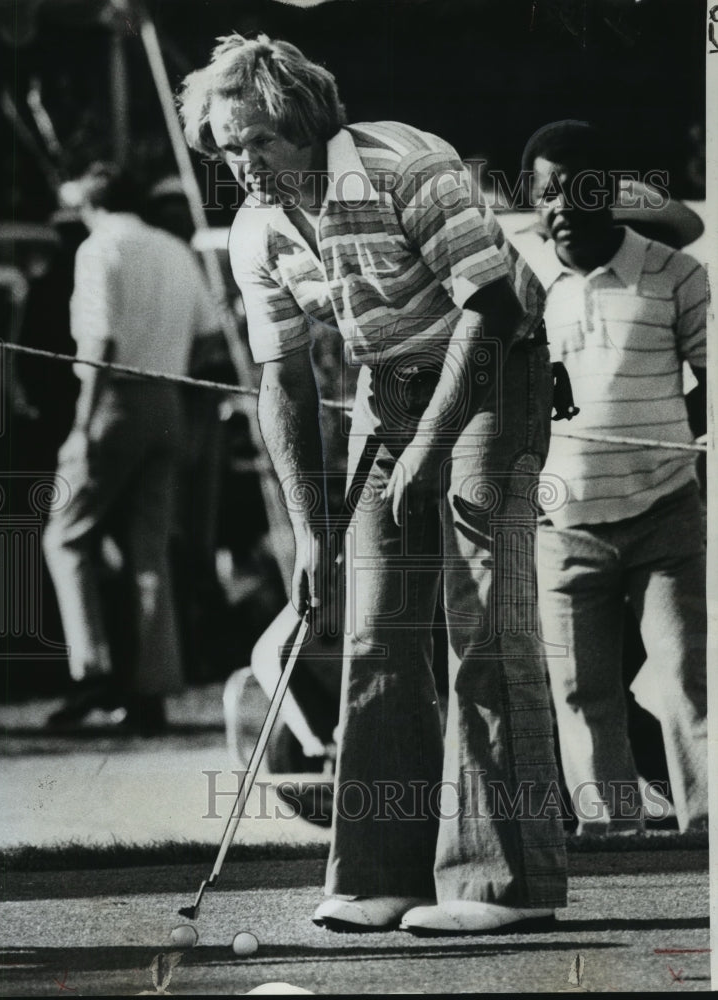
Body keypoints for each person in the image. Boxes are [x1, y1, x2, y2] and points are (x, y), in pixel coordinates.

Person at [179, 35, 567, 934]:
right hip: (384, 389)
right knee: (375, 632)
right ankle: (380, 875)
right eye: (227, 148)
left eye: (258, 142)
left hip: (493, 377)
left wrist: (431, 446)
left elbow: (493, 308)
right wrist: (310, 529)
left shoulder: (406, 166)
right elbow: (282, 380)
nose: (244, 165)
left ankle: (501, 888)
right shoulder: (256, 228)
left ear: (306, 123)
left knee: (483, 627)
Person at [520, 121, 708, 834]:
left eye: (579, 188)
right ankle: (615, 841)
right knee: (578, 690)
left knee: (687, 680)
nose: (562, 204)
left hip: (664, 514)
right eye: (546, 193)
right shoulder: (522, 283)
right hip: (560, 527)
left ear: (611, 195)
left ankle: (706, 835)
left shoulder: (674, 273)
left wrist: (675, 429)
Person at [43, 162, 216, 734]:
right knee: (149, 550)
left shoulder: (98, 251)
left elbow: (99, 341)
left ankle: (92, 669)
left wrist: (80, 426)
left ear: (91, 205)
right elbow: (205, 334)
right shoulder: (172, 249)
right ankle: (151, 689)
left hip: (115, 399)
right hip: (169, 400)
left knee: (66, 535)